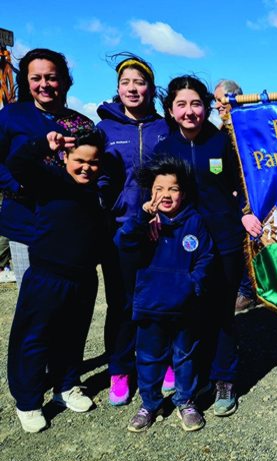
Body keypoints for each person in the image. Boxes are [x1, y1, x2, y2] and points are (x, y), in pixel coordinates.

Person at [155, 75, 261, 418]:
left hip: (224, 240)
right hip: (181, 245)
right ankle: (192, 376)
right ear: (171, 110)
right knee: (188, 313)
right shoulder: (164, 149)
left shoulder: (222, 143)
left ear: (206, 107)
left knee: (221, 314)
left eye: (196, 103)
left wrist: (245, 212)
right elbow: (155, 193)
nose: (190, 111)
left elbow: (244, 182)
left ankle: (225, 380)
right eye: (182, 105)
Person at [6, 129, 106, 432]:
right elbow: (18, 165)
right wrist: (41, 144)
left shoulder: (96, 192)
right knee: (34, 339)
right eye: (80, 160)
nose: (86, 167)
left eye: (94, 162)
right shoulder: (50, 180)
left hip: (82, 278)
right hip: (47, 277)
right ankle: (29, 400)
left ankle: (66, 386)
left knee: (72, 336)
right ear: (65, 157)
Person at [116, 155, 213, 432]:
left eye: (173, 188)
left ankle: (186, 401)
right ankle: (150, 403)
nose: (166, 195)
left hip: (185, 306)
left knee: (185, 355)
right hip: (150, 304)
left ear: (183, 192)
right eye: (159, 189)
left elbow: (206, 257)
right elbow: (122, 243)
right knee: (148, 357)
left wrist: (192, 284)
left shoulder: (194, 221)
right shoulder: (143, 222)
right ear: (150, 193)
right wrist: (142, 218)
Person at [96, 53, 170, 406]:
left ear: (151, 89)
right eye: (125, 82)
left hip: (161, 228)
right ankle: (120, 369)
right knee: (121, 303)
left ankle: (165, 360)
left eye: (139, 82)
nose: (132, 88)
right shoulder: (105, 129)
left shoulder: (164, 127)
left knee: (160, 299)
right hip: (119, 229)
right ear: (117, 88)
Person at [0, 48, 94, 289]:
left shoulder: (82, 123)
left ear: (63, 80)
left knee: (64, 301)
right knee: (30, 302)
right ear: (27, 81)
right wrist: (15, 184)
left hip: (67, 225)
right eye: (36, 78)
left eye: (51, 77)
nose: (44, 84)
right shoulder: (11, 115)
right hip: (25, 222)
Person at [213, 79, 257, 314]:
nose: (218, 106)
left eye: (221, 100)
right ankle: (245, 289)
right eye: (216, 101)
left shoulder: (249, 125)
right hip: (233, 193)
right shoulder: (221, 130)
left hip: (253, 193)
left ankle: (249, 291)